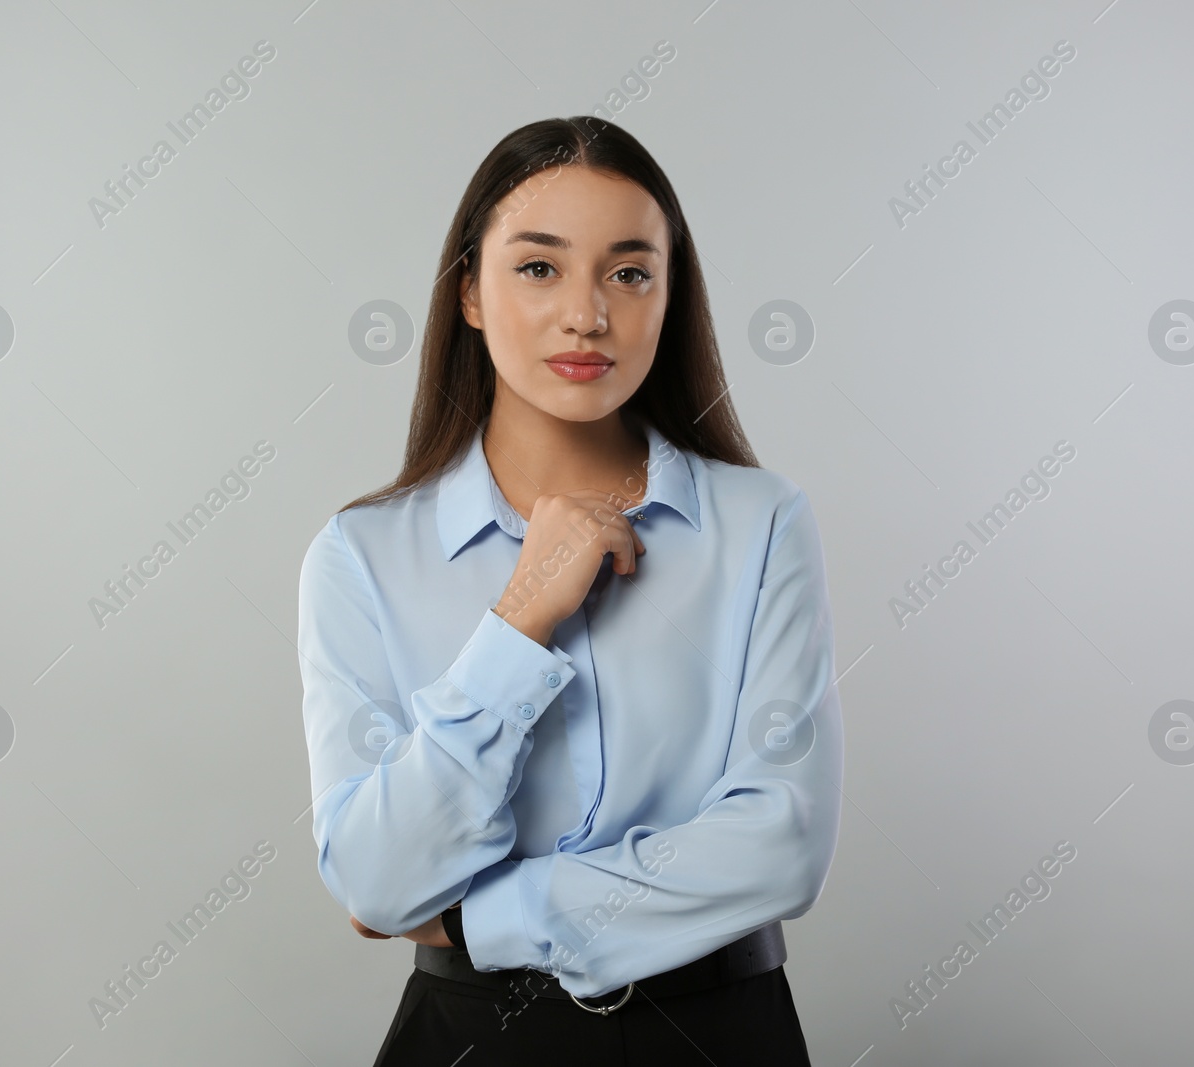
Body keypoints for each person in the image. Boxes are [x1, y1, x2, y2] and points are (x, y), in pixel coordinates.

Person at [296, 115, 843, 1065]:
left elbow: (783, 843)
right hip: (466, 1041)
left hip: (719, 1035)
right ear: (469, 290)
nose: (588, 314)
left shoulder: (761, 526)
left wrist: (480, 918)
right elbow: (378, 885)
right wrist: (521, 617)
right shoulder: (361, 555)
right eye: (539, 267)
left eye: (629, 272)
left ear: (671, 296)